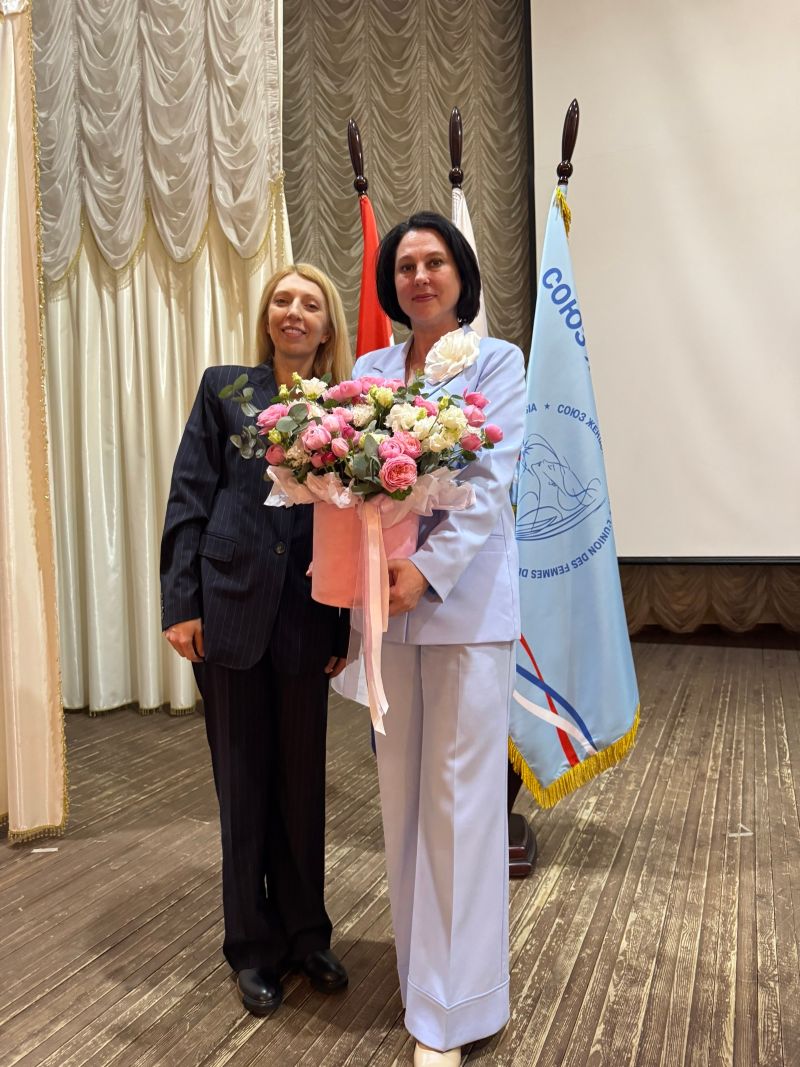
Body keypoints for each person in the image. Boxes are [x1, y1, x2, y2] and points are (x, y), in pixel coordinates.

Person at [352, 213, 525, 1066]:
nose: (419, 276)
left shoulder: (497, 361)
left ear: (461, 275)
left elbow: (488, 483)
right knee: (401, 800)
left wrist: (426, 570)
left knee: (460, 803)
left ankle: (454, 1013)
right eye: (405, 265)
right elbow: (352, 488)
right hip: (384, 606)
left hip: (463, 604)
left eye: (435, 262)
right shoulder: (370, 371)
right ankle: (423, 982)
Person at [160, 264, 352, 1017]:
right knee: (242, 787)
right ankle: (252, 947)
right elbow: (189, 492)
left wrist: (341, 621)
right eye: (282, 300)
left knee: (302, 787)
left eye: (310, 303)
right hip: (230, 609)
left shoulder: (346, 406)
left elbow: (351, 523)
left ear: (328, 326)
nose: (293, 311)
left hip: (307, 615)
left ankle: (306, 935)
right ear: (267, 315)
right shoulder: (226, 390)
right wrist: (182, 602)